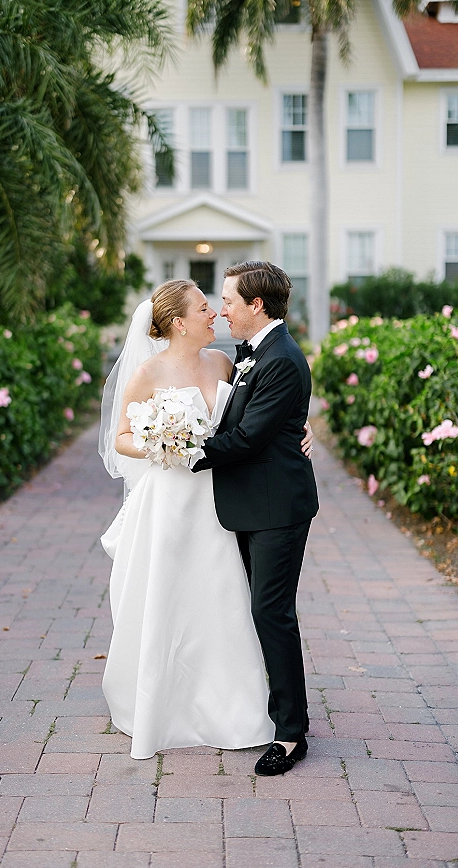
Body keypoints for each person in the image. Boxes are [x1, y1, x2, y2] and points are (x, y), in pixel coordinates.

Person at [98, 277, 314, 761]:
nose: (215, 312)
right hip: (172, 497)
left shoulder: (224, 362)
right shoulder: (148, 373)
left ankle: (233, 706)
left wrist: (301, 426)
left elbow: (266, 403)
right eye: (204, 307)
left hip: (220, 497)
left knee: (224, 600)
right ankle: (165, 702)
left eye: (223, 302)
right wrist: (163, 444)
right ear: (178, 321)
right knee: (170, 596)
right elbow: (122, 438)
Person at [192, 261, 319, 777]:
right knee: (255, 610)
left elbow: (246, 439)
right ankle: (264, 708)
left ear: (256, 305)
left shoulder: (282, 359)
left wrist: (182, 451)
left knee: (272, 612)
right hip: (250, 503)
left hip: (276, 510)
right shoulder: (251, 354)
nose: (222, 309)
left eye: (228, 300)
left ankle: (291, 734)